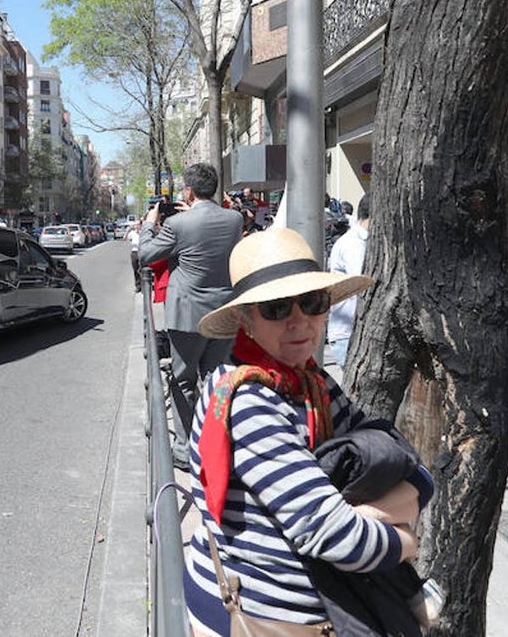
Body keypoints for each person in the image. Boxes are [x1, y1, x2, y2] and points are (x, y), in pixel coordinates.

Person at [184, 227, 431, 635]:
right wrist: (406, 540)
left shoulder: (310, 381)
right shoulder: (247, 401)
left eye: (312, 302)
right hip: (260, 616)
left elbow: (406, 461)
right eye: (277, 308)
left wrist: (376, 511)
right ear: (246, 319)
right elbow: (336, 538)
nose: (299, 321)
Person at [138, 163, 243, 466]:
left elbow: (146, 254)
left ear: (188, 191)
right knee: (217, 379)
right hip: (224, 313)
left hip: (187, 316)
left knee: (183, 380)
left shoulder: (178, 224)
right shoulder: (234, 220)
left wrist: (149, 224)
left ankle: (184, 449)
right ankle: (216, 443)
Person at [327, 194, 371, 371]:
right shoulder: (354, 244)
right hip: (349, 333)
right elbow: (364, 282)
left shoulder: (360, 241)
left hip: (354, 331)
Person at [125, 219, 142, 293]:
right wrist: (127, 231)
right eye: (135, 225)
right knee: (135, 269)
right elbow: (125, 238)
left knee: (142, 269)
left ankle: (143, 284)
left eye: (138, 225)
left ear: (141, 225)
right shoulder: (132, 233)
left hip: (142, 252)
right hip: (134, 252)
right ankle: (138, 285)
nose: (136, 226)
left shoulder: (143, 232)